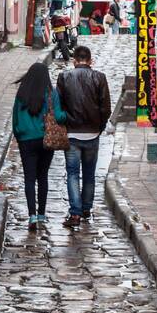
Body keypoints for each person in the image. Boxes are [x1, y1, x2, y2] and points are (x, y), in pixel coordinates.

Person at [57, 44, 112, 228]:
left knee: (73, 174)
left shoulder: (64, 77)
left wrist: (65, 123)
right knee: (89, 173)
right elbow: (106, 108)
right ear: (90, 61)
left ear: (74, 61)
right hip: (92, 134)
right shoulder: (99, 78)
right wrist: (100, 126)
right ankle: (86, 208)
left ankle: (75, 213)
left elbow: (59, 105)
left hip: (72, 134)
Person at [12, 62, 67, 232]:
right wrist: (67, 115)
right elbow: (58, 116)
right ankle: (42, 214)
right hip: (45, 140)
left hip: (26, 141)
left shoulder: (21, 93)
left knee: (29, 178)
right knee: (42, 176)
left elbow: (15, 120)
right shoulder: (51, 94)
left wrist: (19, 134)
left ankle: (32, 215)